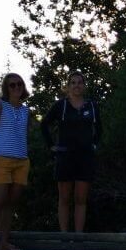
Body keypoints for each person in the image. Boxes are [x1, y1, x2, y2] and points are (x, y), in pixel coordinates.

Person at [41, 71, 102, 232]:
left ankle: (78, 237)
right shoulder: (61, 105)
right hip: (65, 157)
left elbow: (100, 129)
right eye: (73, 83)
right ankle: (64, 237)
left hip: (85, 158)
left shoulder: (91, 106)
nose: (76, 85)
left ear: (84, 85)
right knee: (64, 198)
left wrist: (94, 145)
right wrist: (51, 146)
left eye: (80, 82)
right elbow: (44, 124)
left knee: (81, 199)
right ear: (67, 87)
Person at [0, 73, 33, 250]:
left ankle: (4, 243)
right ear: (6, 88)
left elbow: (24, 134)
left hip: (21, 161)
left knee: (11, 203)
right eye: (12, 85)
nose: (17, 87)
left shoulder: (27, 111)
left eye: (19, 84)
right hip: (0, 160)